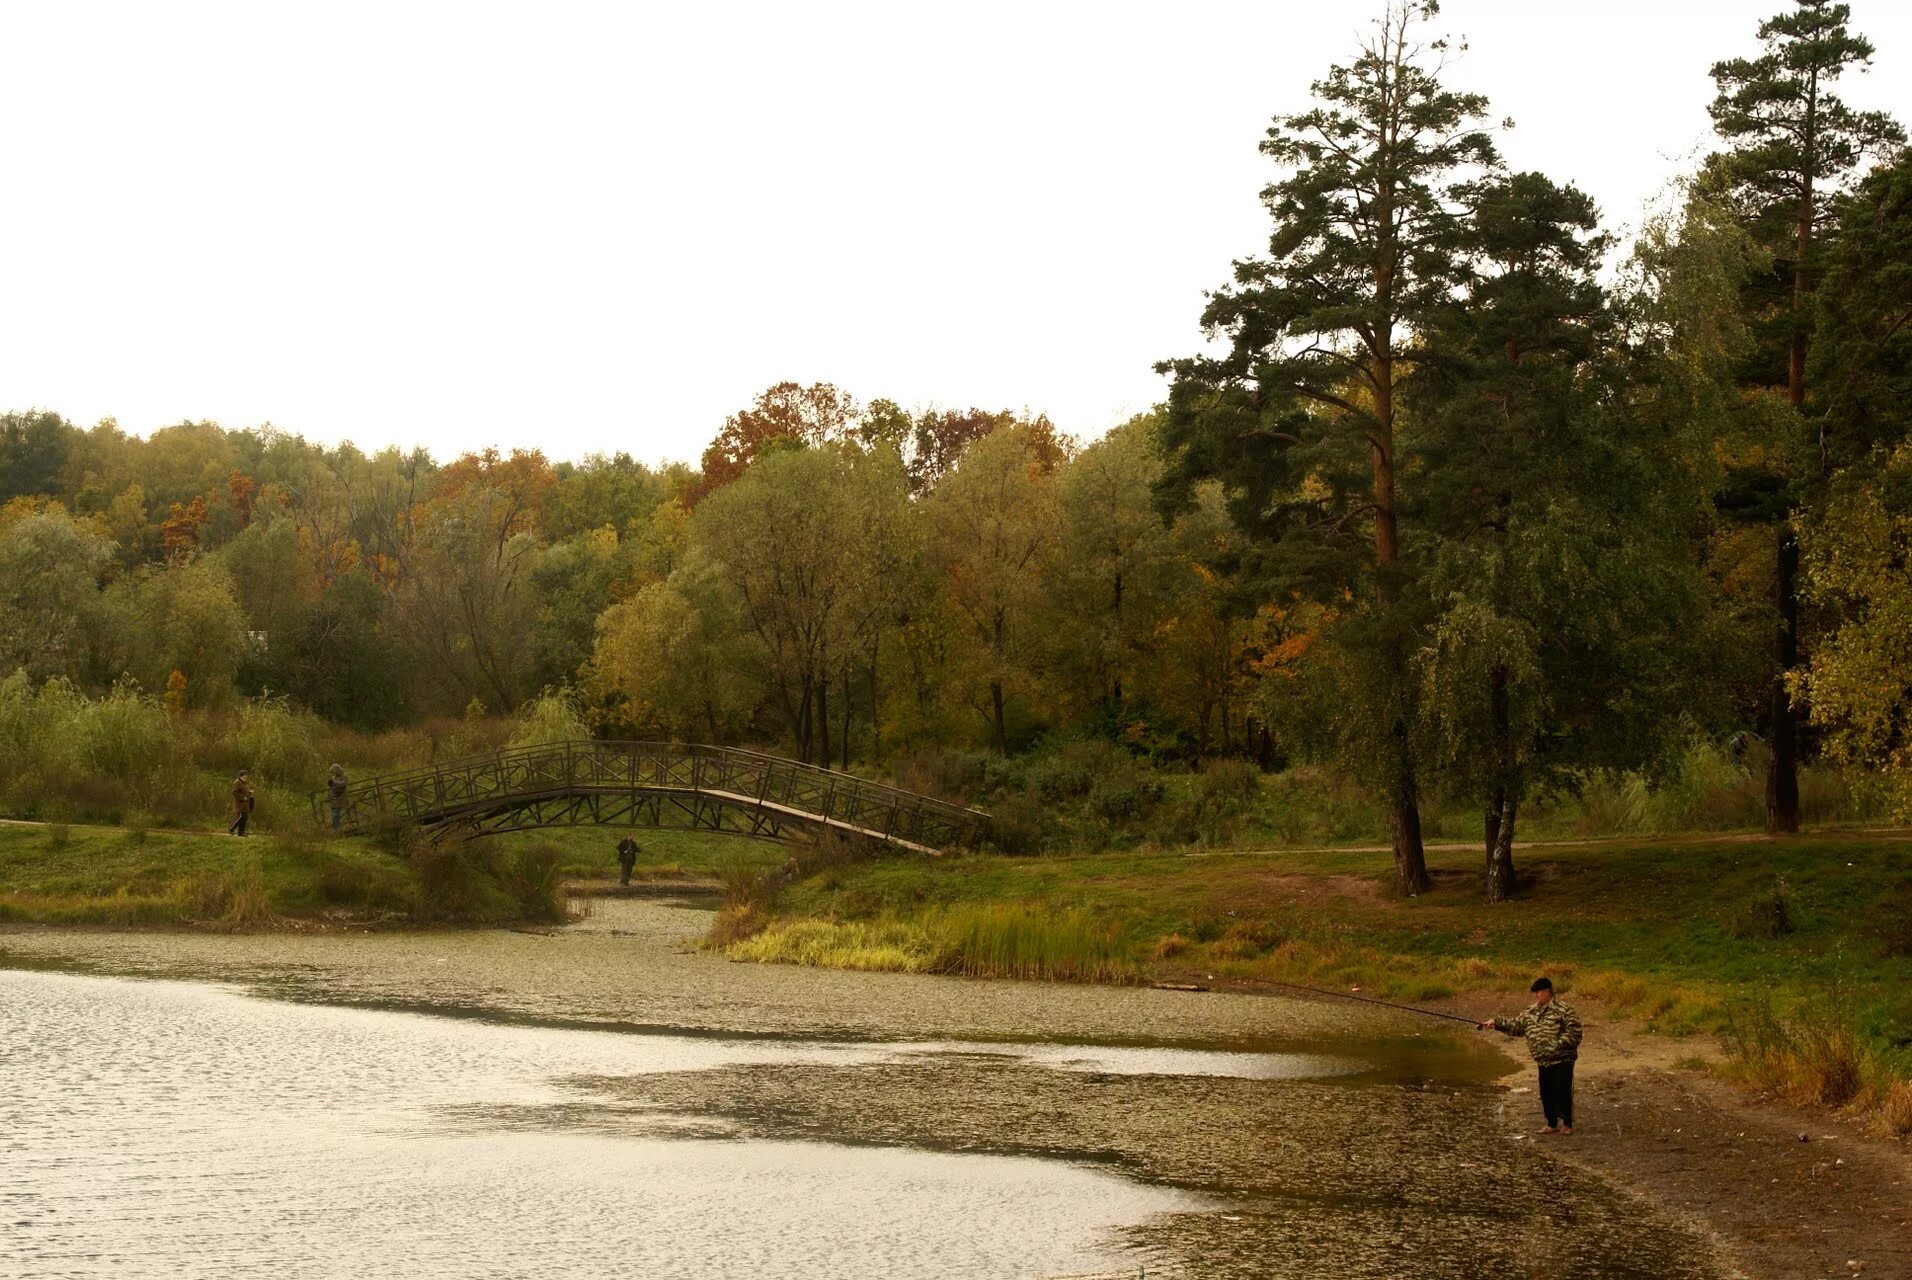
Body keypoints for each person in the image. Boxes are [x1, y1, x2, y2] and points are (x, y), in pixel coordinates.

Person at [1478, 977, 1582, 1135]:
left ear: (1547, 992)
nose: (1535, 996)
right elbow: (1517, 1026)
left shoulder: (1563, 1009)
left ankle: (1567, 1124)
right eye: (1534, 993)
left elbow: (1575, 1033)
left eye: (1538, 992)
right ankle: (1551, 1123)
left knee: (1562, 1091)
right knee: (1546, 1093)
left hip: (1562, 1059)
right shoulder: (1531, 1011)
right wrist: (1496, 1023)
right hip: (1542, 1060)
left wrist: (1556, 1045)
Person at [228, 770, 256, 837]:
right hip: (240, 804)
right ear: (241, 776)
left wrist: (249, 792)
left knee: (244, 818)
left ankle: (241, 833)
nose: (246, 776)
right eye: (245, 775)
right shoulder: (237, 782)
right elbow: (234, 792)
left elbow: (244, 791)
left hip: (245, 805)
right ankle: (231, 829)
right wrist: (243, 797)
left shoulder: (244, 783)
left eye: (246, 775)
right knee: (241, 817)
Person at [326, 764, 349, 831]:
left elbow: (343, 784)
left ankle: (336, 830)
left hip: (340, 798)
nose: (333, 774)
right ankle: (336, 830)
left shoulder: (344, 776)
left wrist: (334, 782)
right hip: (333, 799)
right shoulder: (333, 777)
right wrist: (330, 784)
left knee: (335, 815)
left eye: (333, 772)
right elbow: (332, 787)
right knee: (334, 815)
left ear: (337, 770)